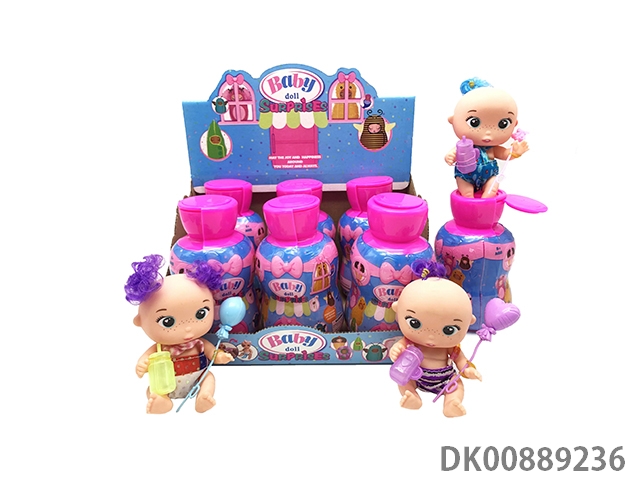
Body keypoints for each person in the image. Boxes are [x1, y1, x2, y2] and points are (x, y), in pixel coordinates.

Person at [125, 255, 234, 414]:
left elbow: (212, 353)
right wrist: (143, 364)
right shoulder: (160, 348)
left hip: (197, 378)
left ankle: (203, 397)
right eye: (168, 322)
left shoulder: (199, 343)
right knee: (153, 389)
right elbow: (146, 358)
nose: (187, 328)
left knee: (209, 377)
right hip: (166, 381)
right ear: (140, 321)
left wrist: (220, 357)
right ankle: (162, 401)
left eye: (200, 314)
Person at [444, 78, 529, 198]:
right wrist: (450, 156)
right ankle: (470, 204)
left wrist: (515, 152)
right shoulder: (464, 145)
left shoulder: (492, 149)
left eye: (502, 124)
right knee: (467, 194)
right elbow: (454, 152)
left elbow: (504, 154)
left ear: (514, 124)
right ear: (453, 120)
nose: (488, 132)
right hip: (465, 176)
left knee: (492, 191)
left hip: (489, 176)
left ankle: (485, 206)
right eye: (474, 122)